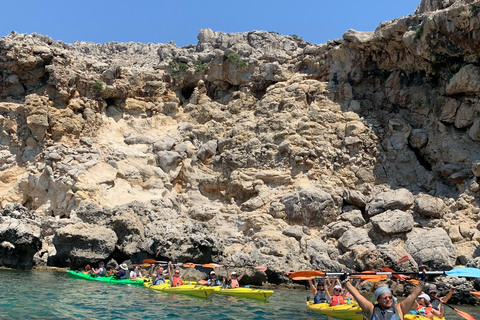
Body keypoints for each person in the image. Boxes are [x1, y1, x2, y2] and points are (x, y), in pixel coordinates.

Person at [344, 276, 424, 320]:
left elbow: (412, 296)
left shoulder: (399, 309)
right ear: (378, 300)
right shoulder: (371, 309)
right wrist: (346, 282)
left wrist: (422, 282)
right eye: (385, 298)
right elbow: (358, 296)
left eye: (390, 297)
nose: (388, 300)